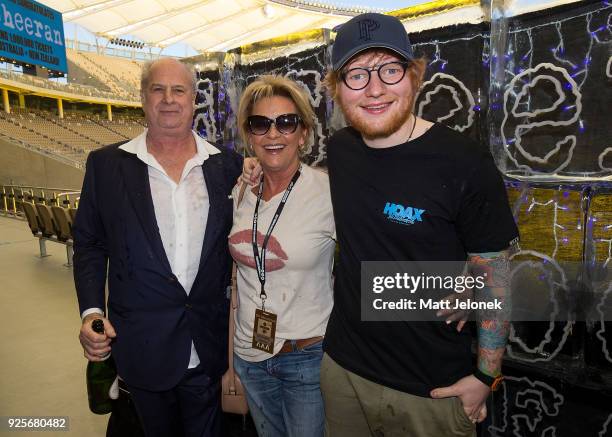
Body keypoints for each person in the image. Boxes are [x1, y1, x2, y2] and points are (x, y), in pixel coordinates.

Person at [244, 13, 518, 437]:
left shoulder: (465, 162)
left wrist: (485, 377)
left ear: (414, 76)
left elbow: (496, 272)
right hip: (342, 372)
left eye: (389, 69)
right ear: (337, 89)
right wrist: (255, 164)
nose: (374, 88)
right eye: (357, 74)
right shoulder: (342, 150)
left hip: (430, 390)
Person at [73, 58, 242, 437]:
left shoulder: (227, 166)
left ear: (193, 99)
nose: (169, 99)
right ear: (143, 98)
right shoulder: (105, 166)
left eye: (179, 90)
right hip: (140, 348)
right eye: (158, 89)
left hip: (208, 347)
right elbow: (89, 245)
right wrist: (90, 313)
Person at [228, 75, 335, 437]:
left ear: (303, 133)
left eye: (286, 123)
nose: (273, 134)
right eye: (260, 124)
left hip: (304, 356)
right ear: (249, 134)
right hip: (249, 354)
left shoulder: (327, 193)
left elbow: (377, 250)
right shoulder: (241, 189)